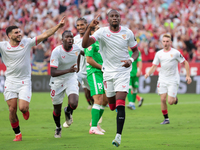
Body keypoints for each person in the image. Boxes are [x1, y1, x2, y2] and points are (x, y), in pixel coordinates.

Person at [0, 16, 66, 141]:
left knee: (22, 108)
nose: (19, 34)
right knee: (12, 109)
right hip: (10, 81)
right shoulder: (3, 46)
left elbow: (45, 34)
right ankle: (17, 134)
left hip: (24, 81)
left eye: (20, 32)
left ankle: (25, 110)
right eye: (16, 33)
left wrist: (58, 26)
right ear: (9, 35)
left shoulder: (26, 42)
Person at [82, 10, 139, 147]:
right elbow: (85, 44)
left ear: (120, 18)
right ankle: (111, 107)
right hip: (108, 73)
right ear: (108, 19)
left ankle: (118, 136)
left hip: (123, 72)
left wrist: (131, 60)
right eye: (112, 16)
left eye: (117, 16)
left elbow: (136, 50)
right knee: (112, 105)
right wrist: (89, 27)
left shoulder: (127, 32)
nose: (114, 18)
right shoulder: (101, 32)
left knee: (120, 103)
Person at [145, 34, 192, 124]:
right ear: (162, 42)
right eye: (164, 41)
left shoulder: (175, 53)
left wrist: (188, 75)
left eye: (167, 41)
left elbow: (185, 63)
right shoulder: (159, 53)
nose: (165, 43)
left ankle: (175, 99)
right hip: (162, 78)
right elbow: (154, 66)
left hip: (173, 79)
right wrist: (148, 73)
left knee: (170, 101)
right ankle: (166, 119)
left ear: (170, 42)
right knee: (162, 99)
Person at [49, 30, 81, 138]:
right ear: (62, 40)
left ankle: (68, 111)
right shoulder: (56, 51)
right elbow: (53, 72)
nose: (70, 39)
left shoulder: (76, 48)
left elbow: (80, 54)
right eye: (67, 37)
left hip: (70, 78)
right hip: (57, 81)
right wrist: (69, 70)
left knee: (74, 103)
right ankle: (58, 128)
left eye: (71, 37)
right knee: (57, 110)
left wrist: (78, 68)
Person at [84, 25, 108, 135]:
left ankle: (96, 123)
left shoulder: (101, 42)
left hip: (103, 73)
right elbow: (88, 59)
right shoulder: (90, 41)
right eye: (97, 28)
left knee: (105, 100)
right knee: (98, 98)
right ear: (93, 31)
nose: (100, 30)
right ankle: (93, 127)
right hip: (94, 72)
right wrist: (101, 67)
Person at [74, 17, 94, 109]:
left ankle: (95, 107)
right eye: (78, 25)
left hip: (91, 70)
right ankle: (70, 108)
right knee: (74, 86)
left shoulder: (92, 38)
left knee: (90, 95)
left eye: (82, 24)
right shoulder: (74, 39)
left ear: (87, 25)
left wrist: (79, 51)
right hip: (79, 70)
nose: (80, 27)